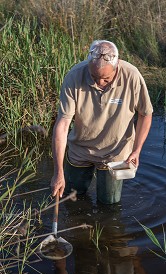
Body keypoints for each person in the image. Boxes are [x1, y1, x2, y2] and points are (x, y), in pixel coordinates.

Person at [51, 40, 153, 204]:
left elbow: (145, 114)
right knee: (71, 198)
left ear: (117, 65)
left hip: (115, 152)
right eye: (94, 77)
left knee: (109, 203)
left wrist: (137, 150)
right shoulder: (74, 76)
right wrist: (58, 172)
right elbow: (62, 125)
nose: (99, 83)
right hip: (81, 148)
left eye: (105, 79)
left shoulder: (132, 76)